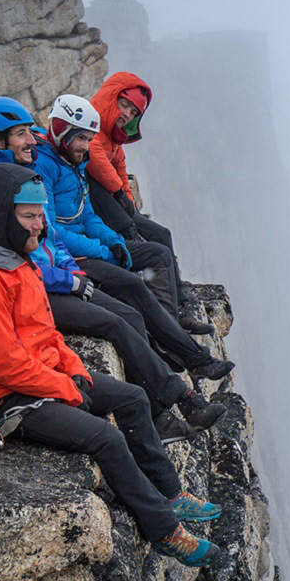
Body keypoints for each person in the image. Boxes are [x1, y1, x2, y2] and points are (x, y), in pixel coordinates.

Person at [0, 161, 221, 567]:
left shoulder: (16, 260)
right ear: (2, 215)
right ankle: (165, 531)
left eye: (40, 214)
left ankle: (172, 494)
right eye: (30, 216)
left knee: (133, 398)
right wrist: (65, 388)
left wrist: (73, 369)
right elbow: (1, 364)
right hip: (3, 398)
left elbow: (46, 332)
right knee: (106, 439)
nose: (40, 224)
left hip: (41, 375)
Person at [0, 96, 226, 439]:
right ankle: (172, 408)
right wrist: (67, 277)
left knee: (130, 313)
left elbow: (48, 237)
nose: (32, 140)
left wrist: (74, 269)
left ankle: (177, 401)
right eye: (22, 134)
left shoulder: (18, 177)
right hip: (29, 295)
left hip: (50, 281)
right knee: (117, 322)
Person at [33, 93, 233, 387]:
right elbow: (51, 231)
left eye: (89, 140)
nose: (86, 147)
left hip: (87, 247)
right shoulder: (44, 166)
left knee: (157, 253)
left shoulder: (73, 164)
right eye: (82, 139)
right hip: (69, 256)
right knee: (134, 286)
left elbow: (87, 215)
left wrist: (114, 241)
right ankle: (194, 358)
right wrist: (104, 250)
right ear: (63, 131)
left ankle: (170, 333)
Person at [82, 72, 205, 331]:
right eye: (124, 104)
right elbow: (94, 157)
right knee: (151, 248)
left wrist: (126, 198)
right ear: (111, 97)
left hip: (113, 207)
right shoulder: (89, 123)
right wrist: (118, 193)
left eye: (134, 112)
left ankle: (180, 304)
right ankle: (169, 320)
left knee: (162, 235)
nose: (127, 114)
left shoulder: (113, 137)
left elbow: (119, 165)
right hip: (97, 209)